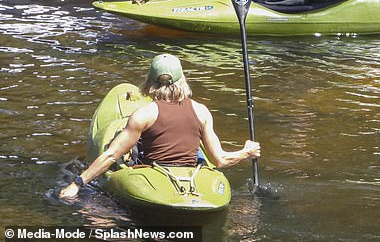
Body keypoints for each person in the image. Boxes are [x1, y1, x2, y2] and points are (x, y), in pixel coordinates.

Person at [59, 54, 260, 199]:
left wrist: (77, 184)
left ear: (150, 82)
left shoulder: (144, 114)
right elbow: (220, 160)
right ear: (183, 80)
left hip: (152, 175)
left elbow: (111, 155)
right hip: (192, 175)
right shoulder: (202, 111)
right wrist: (247, 151)